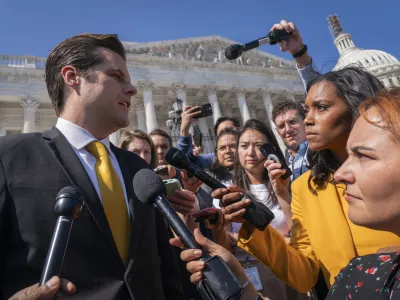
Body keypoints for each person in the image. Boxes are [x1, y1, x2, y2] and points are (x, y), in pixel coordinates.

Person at [0, 33, 185, 299]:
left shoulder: (139, 170)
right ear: (72, 77)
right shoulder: (11, 158)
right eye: (117, 76)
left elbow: (164, 269)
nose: (132, 89)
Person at [174, 88, 400, 300]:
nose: (307, 120)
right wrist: (233, 265)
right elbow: (305, 270)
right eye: (243, 146)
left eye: (363, 155)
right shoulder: (305, 187)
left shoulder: (298, 186)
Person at [271, 99, 308, 181]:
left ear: (305, 121)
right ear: (278, 132)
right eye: (281, 126)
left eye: (292, 122)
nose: (288, 129)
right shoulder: (286, 169)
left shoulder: (322, 152)